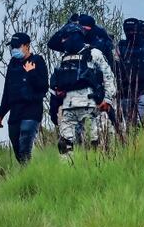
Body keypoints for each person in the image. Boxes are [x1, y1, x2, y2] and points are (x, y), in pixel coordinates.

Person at [49, 23, 116, 157]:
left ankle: (96, 172)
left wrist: (107, 100)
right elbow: (55, 82)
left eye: (66, 38)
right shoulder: (64, 58)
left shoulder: (93, 53)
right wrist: (56, 98)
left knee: (94, 144)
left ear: (75, 37)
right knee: (65, 145)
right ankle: (68, 175)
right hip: (68, 108)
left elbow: (109, 77)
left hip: (90, 107)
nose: (63, 41)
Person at [0, 32, 49, 164]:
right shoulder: (12, 64)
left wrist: (31, 73)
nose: (14, 49)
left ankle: (29, 172)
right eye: (12, 46)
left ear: (27, 46)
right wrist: (1, 113)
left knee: (25, 143)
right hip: (15, 112)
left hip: (31, 110)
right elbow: (7, 90)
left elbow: (43, 87)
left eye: (17, 46)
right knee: (16, 145)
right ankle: (27, 169)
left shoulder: (37, 61)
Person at [114, 18, 144, 129]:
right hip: (126, 92)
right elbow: (115, 70)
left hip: (143, 91)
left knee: (142, 125)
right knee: (133, 126)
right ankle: (135, 144)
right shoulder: (120, 47)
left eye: (133, 30)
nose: (131, 33)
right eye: (128, 30)